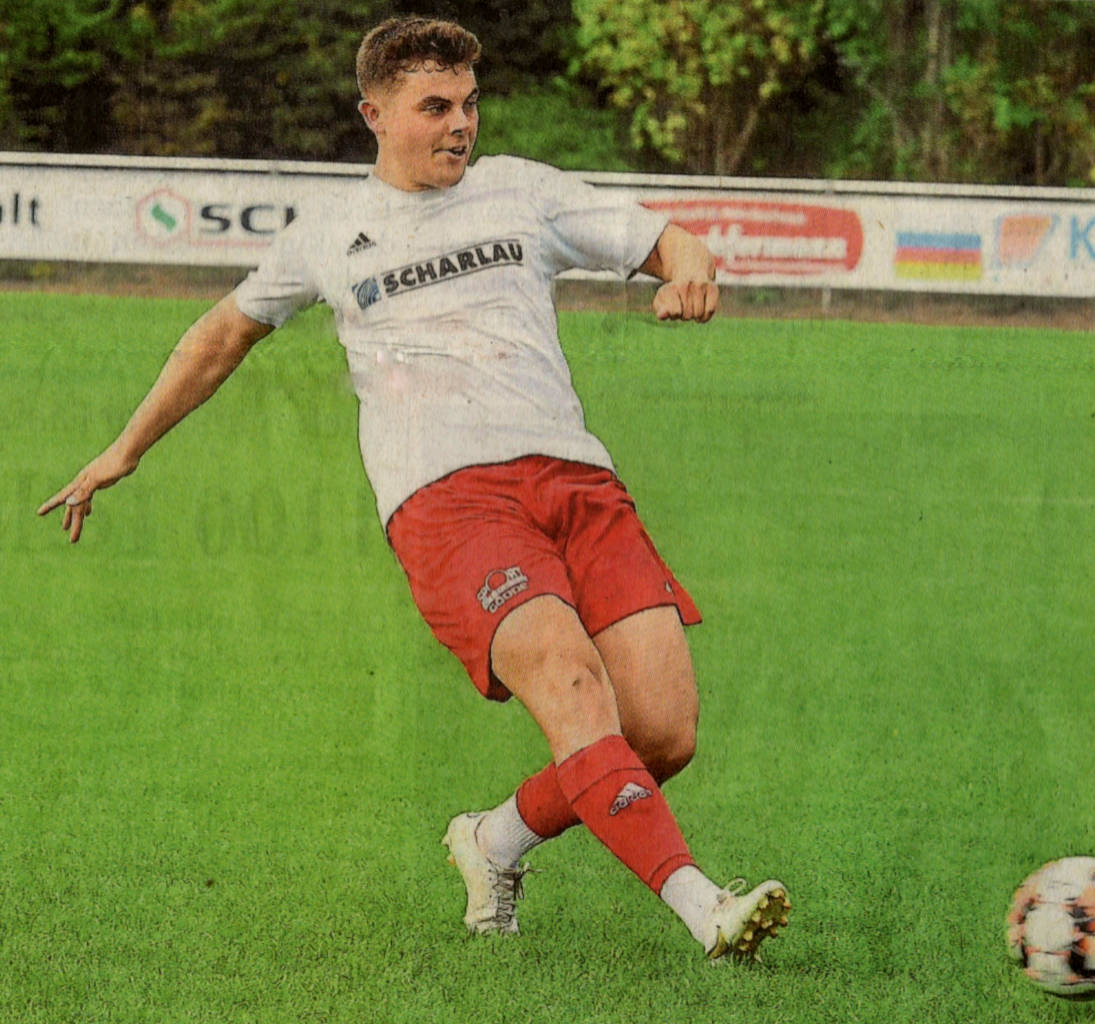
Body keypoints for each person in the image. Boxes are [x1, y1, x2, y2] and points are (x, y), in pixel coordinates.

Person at [39, 15, 789, 960]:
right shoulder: (328, 234)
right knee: (573, 688)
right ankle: (704, 907)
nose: (460, 124)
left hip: (577, 479)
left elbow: (672, 241)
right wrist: (124, 449)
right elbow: (221, 335)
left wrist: (688, 275)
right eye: (435, 107)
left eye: (469, 103)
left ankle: (493, 840)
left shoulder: (522, 191)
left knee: (662, 734)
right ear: (375, 114)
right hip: (447, 501)